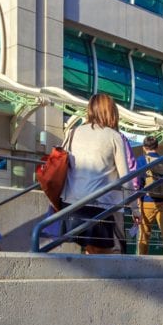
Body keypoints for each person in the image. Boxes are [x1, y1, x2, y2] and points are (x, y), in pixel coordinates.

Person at [61, 93, 133, 255]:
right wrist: (135, 209)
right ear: (111, 112)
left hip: (71, 205)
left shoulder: (73, 132)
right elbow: (126, 180)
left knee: (90, 252)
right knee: (106, 256)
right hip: (99, 207)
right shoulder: (114, 136)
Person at [138, 136, 163, 255]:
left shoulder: (141, 160)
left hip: (148, 200)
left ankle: (142, 261)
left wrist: (138, 201)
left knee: (144, 233)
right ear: (157, 147)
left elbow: (138, 182)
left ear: (144, 148)